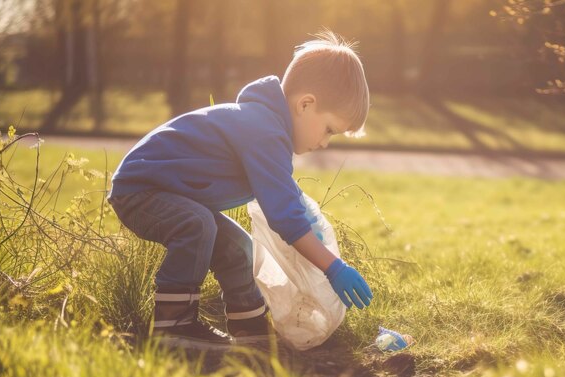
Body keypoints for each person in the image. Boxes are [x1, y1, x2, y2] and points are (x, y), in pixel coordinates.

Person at [107, 30, 373, 350]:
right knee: (197, 225)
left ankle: (251, 330)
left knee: (237, 246)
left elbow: (286, 200)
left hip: (167, 194)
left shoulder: (266, 129)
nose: (324, 143)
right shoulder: (264, 131)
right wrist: (333, 267)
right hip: (141, 190)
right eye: (329, 130)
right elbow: (286, 218)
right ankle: (173, 326)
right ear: (305, 104)